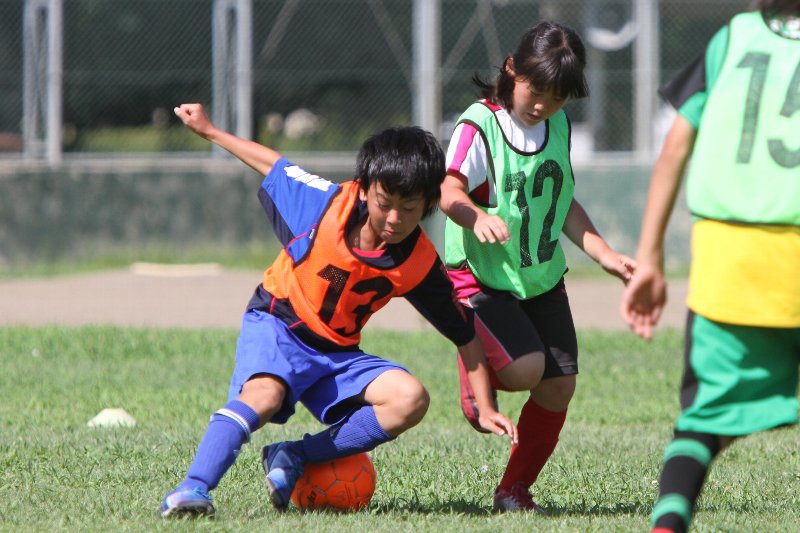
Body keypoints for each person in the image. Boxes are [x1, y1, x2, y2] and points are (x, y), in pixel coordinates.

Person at [160, 103, 518, 518]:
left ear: (428, 205)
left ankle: (293, 455)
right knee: (264, 396)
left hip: (336, 352)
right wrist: (210, 131)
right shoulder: (325, 206)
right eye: (385, 202)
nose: (394, 218)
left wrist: (485, 406)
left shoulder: (418, 261)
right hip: (279, 323)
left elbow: (464, 332)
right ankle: (191, 489)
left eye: (409, 208)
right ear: (365, 189)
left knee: (410, 399)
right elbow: (273, 164)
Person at [439, 21, 635, 513]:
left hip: (539, 275)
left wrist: (605, 254)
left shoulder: (558, 126)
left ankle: (513, 490)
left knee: (559, 384)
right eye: (536, 90)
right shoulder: (479, 125)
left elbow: (563, 203)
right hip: (481, 275)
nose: (544, 105)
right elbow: (449, 191)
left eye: (558, 97)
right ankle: (474, 365)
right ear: (512, 68)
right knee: (526, 369)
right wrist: (476, 216)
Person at [619, 1, 800, 531]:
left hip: (728, 262)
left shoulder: (732, 38)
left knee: (702, 423)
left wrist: (650, 256)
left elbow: (675, 146)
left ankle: (668, 522)